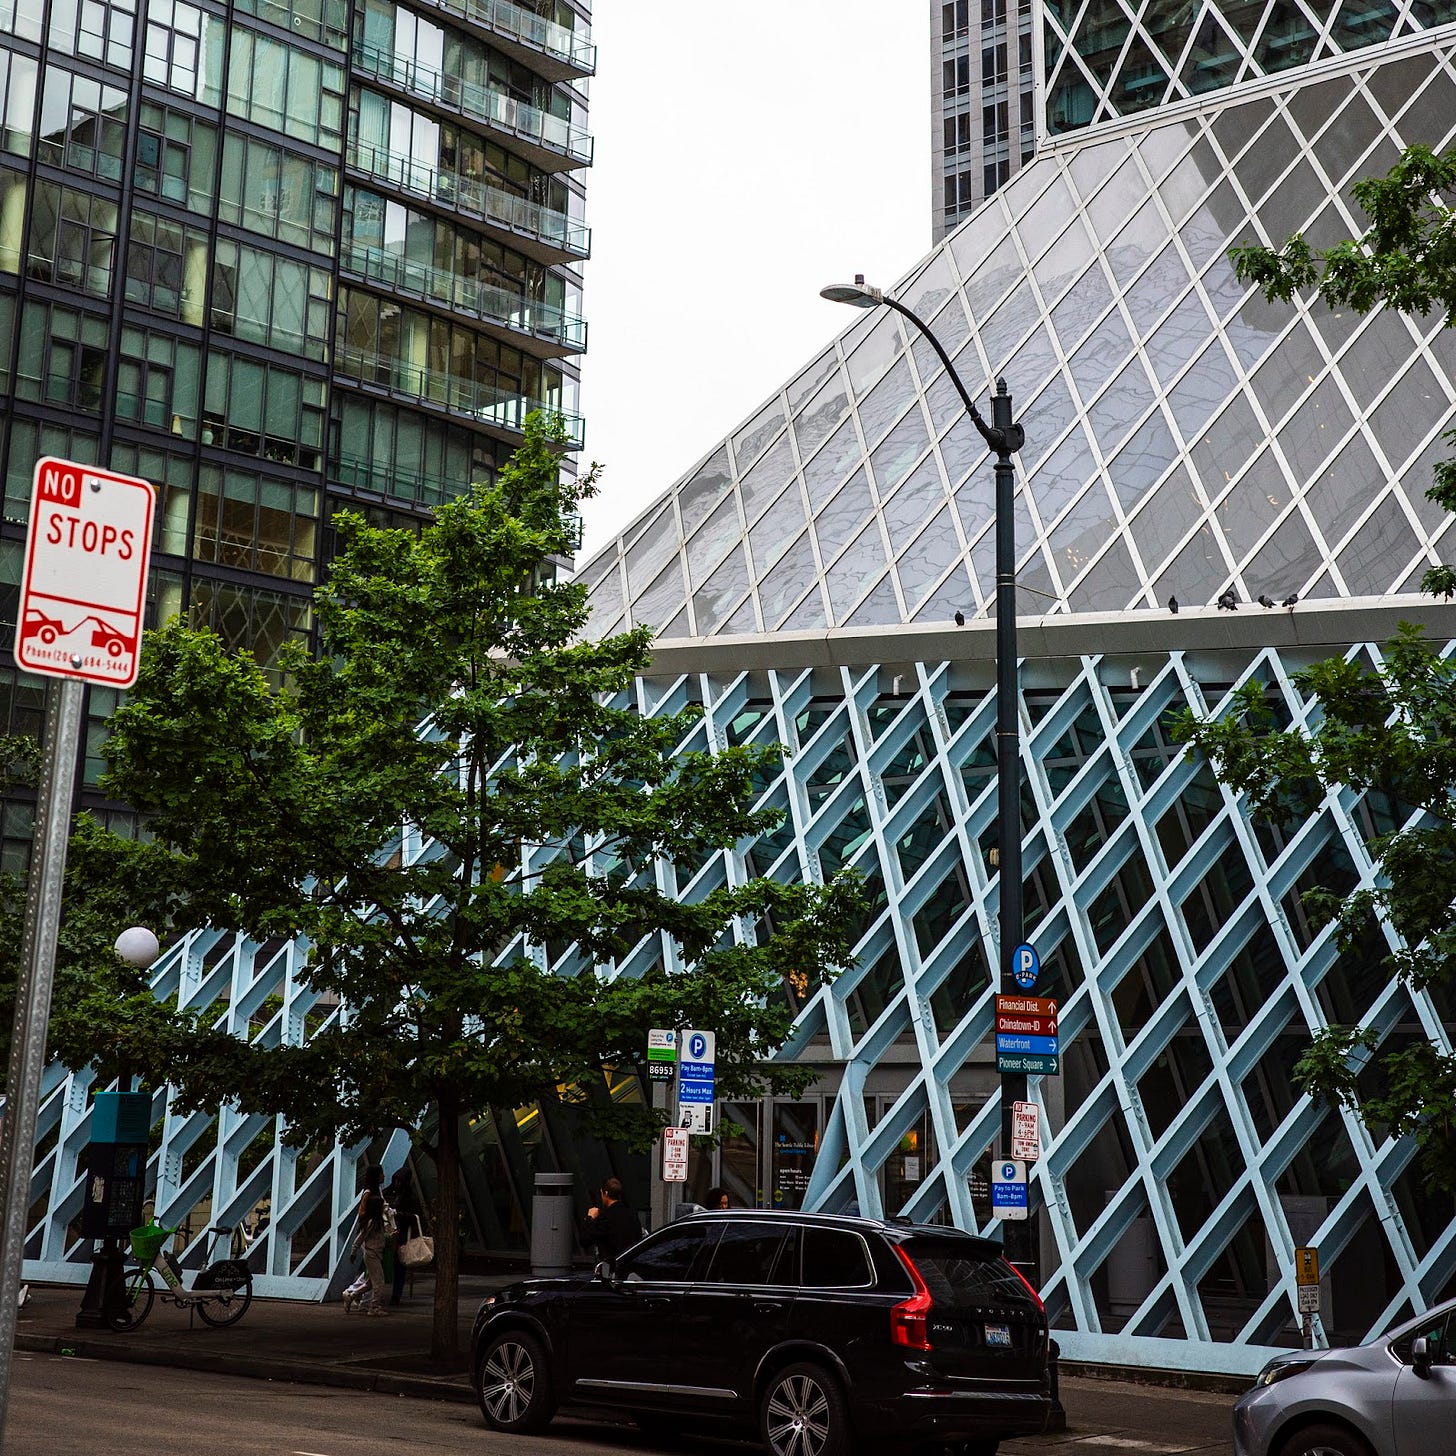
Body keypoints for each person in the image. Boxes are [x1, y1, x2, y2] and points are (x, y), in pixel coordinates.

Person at [343, 1164, 391, 1315]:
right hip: (371, 1250)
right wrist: (354, 1250)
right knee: (378, 1282)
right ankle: (374, 1307)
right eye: (381, 1173)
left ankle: (352, 1295)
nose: (384, 1176)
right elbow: (361, 1232)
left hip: (375, 1250)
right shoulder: (372, 1215)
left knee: (371, 1281)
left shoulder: (377, 1194)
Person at [580, 1176, 642, 1270]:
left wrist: (590, 1219)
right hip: (630, 1266)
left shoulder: (606, 1217)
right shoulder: (632, 1214)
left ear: (606, 1193)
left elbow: (585, 1239)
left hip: (610, 1268)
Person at [384, 1167, 424, 1307]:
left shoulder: (408, 1197)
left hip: (400, 1235)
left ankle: (395, 1296)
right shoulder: (391, 1193)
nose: (397, 1184)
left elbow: (414, 1216)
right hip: (391, 1233)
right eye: (396, 1181)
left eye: (400, 1181)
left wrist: (399, 1215)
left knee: (399, 1267)